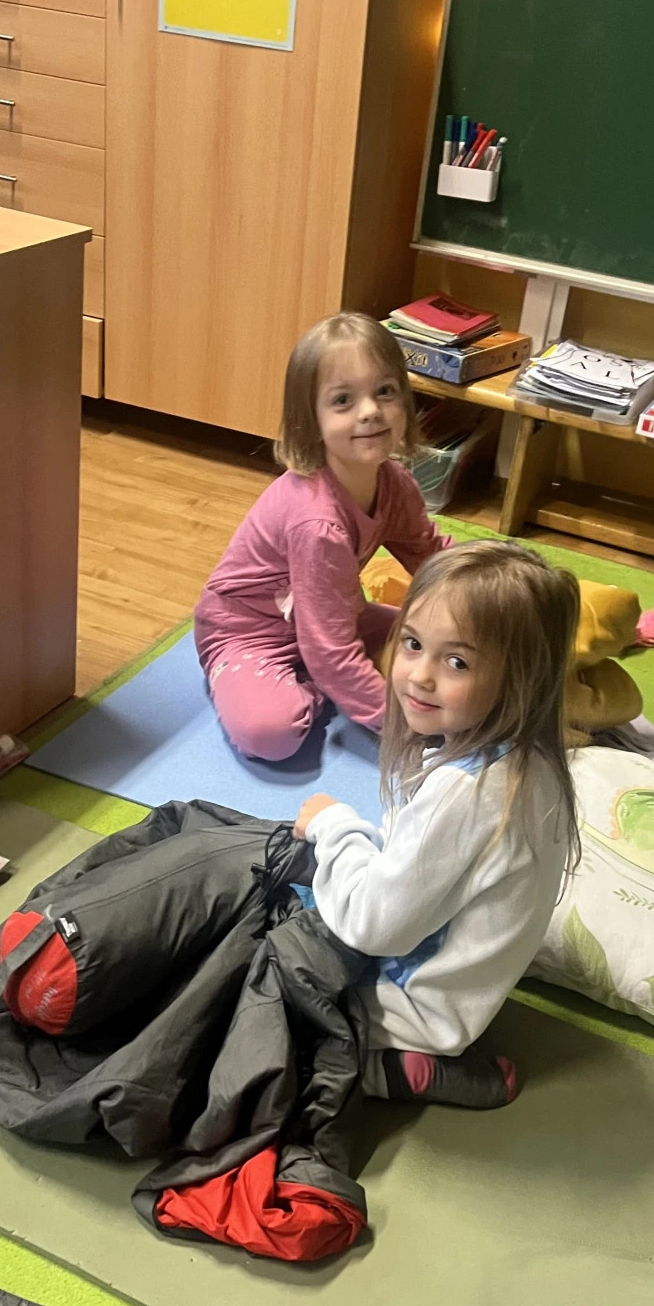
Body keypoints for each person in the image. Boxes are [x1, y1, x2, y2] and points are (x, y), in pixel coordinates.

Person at [294, 540, 580, 1108]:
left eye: (457, 663)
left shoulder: (467, 793)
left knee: (241, 1005)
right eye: (413, 644)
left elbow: (372, 926)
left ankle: (394, 1068)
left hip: (410, 1007)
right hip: (457, 995)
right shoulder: (533, 759)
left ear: (521, 680)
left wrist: (335, 826)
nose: (419, 676)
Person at [194, 312, 450, 762]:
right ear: (310, 421)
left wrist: (494, 591)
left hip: (332, 618)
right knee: (271, 733)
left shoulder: (395, 482)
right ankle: (303, 685)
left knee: (443, 645)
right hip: (249, 634)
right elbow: (332, 654)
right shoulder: (317, 524)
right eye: (343, 400)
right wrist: (403, 728)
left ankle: (325, 676)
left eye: (385, 391)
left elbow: (432, 557)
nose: (370, 411)